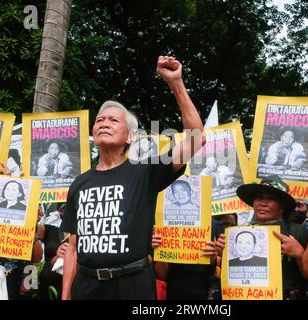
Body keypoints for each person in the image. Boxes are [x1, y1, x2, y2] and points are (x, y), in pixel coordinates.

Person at [60, 55, 206, 300]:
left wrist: (176, 84)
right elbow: (72, 249)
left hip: (133, 287)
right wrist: (65, 296)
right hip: (86, 288)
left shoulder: (145, 172)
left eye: (113, 120)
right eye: (99, 120)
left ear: (130, 137)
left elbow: (196, 139)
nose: (104, 123)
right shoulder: (80, 183)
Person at [217, 175, 308, 299]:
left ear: (282, 207)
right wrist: (223, 254)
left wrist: (299, 253)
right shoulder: (238, 233)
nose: (263, 203)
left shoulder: (297, 231)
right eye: (259, 198)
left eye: (270, 199)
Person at [151, 219, 222, 300]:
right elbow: (162, 276)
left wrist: (214, 258)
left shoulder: (215, 225)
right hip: (174, 293)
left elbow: (218, 270)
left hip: (205, 292)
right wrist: (159, 250)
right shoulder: (167, 224)